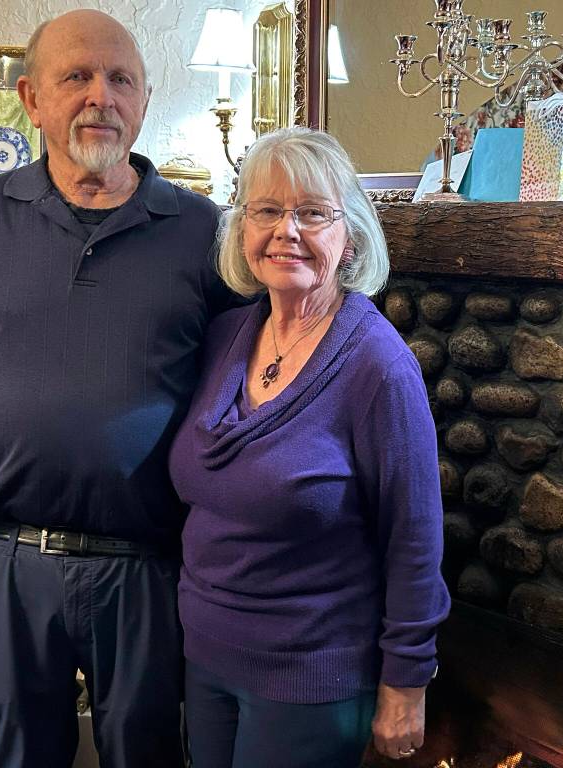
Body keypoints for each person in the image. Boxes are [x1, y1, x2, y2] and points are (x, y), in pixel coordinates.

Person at [0, 10, 233, 768]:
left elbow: (243, 398)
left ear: (144, 101)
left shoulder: (204, 232)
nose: (99, 97)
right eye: (75, 76)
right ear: (31, 98)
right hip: (4, 562)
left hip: (152, 570)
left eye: (121, 80)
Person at [168, 127, 451, 767]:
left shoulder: (378, 367)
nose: (285, 231)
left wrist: (406, 682)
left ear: (348, 236)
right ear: (242, 229)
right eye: (265, 210)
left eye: (312, 213)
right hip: (204, 657)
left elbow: (415, 535)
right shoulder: (223, 338)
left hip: (311, 679)